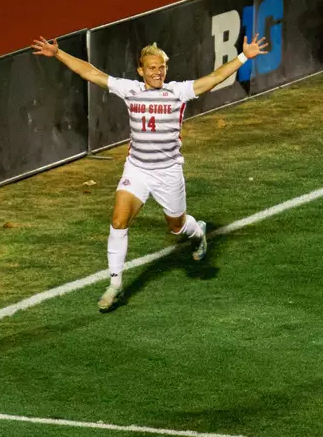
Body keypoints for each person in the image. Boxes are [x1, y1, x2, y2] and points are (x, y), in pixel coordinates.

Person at [31, 33, 269, 311]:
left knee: (176, 226)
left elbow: (214, 78)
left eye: (162, 68)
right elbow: (91, 73)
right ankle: (115, 284)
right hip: (138, 169)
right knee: (118, 221)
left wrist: (244, 56)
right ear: (141, 71)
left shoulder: (177, 92)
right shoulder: (130, 89)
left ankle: (197, 231)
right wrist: (58, 54)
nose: (158, 72)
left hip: (168, 173)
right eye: (152, 68)